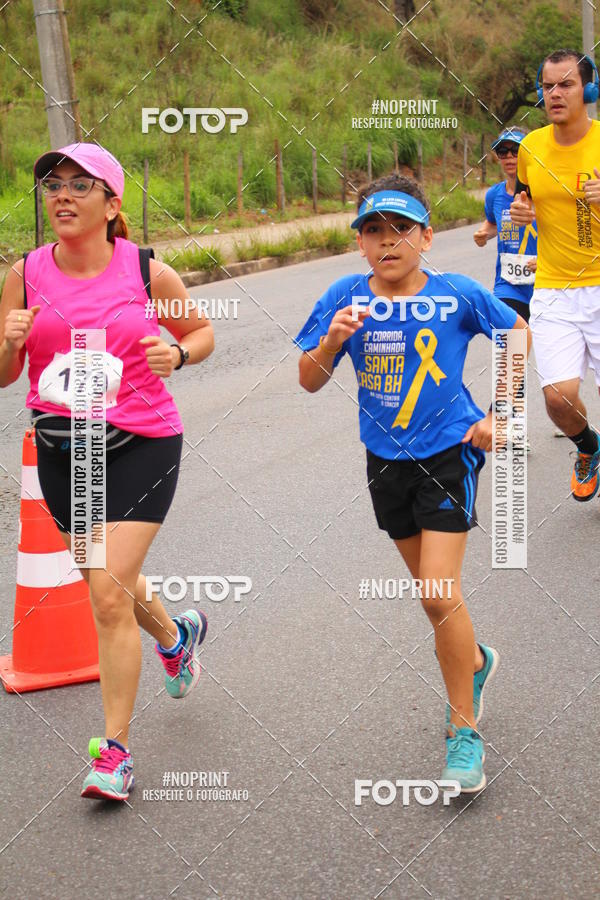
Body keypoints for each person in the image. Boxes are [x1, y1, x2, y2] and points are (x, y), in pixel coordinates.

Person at [295, 174, 530, 793]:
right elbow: (308, 379)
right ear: (360, 243)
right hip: (384, 464)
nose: (387, 241)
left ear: (427, 236)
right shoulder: (344, 295)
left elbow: (516, 332)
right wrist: (331, 341)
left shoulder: (457, 292)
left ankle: (463, 733)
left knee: (435, 593)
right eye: (373, 230)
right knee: (434, 597)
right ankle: (475, 663)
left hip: (450, 454)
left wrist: (501, 413)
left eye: (401, 228)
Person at [0, 143, 214, 802]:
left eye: (79, 186)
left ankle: (113, 754)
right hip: (69, 452)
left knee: (105, 597)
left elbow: (202, 334)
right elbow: (5, 376)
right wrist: (9, 343)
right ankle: (176, 639)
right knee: (111, 587)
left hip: (142, 444)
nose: (62, 196)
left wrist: (177, 352)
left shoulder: (148, 273)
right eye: (53, 185)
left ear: (112, 204)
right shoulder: (26, 274)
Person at [510, 49, 600, 499]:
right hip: (554, 288)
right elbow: (523, 195)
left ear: (588, 88)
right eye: (547, 86)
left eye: (565, 84)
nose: (555, 94)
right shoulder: (531, 147)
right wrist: (521, 210)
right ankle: (589, 447)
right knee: (557, 398)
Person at [474, 127, 537, 450]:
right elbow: (493, 222)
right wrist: (484, 233)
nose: (510, 158)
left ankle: (566, 410)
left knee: (554, 358)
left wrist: (545, 259)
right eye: (503, 152)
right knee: (511, 353)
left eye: (516, 151)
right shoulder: (494, 194)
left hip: (546, 285)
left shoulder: (544, 190)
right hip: (508, 285)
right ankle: (514, 428)